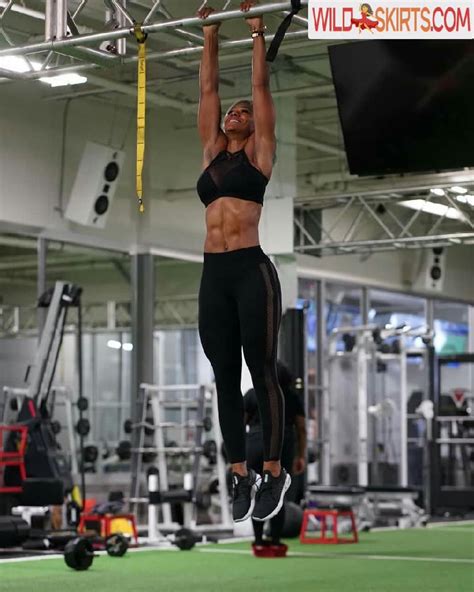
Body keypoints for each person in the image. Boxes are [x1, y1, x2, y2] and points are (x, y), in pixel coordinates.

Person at [197, 1, 290, 523]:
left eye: (243, 113)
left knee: (261, 370)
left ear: (254, 126)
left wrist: (257, 34)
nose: (236, 112)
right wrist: (209, 34)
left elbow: (260, 87)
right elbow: (208, 90)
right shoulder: (212, 151)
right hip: (214, 274)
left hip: (252, 270)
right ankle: (239, 472)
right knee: (224, 378)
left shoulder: (260, 155)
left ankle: (273, 470)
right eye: (232, 112)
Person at [244, 361, 306, 553]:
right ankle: (276, 541)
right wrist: (301, 456)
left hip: (255, 442)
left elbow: (239, 424)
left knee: (258, 492)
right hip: (282, 444)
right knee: (277, 494)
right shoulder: (292, 396)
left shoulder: (252, 394)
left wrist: (237, 457)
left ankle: (258, 541)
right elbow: (301, 429)